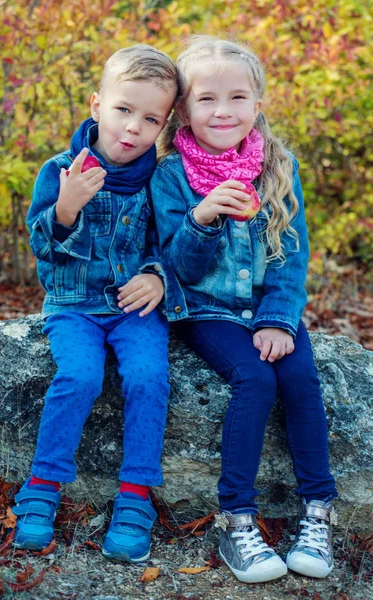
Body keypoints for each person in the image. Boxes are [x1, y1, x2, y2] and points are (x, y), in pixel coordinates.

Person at [151, 35, 338, 583]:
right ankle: (236, 518)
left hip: (264, 304)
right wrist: (203, 216)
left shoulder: (279, 167)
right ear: (183, 110)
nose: (223, 110)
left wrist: (279, 318)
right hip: (205, 310)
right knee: (255, 379)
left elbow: (291, 255)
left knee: (301, 378)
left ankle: (318, 512)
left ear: (258, 103)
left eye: (237, 97)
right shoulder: (170, 176)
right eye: (206, 98)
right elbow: (179, 269)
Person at [12, 44, 184, 564]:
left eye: (150, 118)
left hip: (134, 309)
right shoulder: (61, 170)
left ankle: (134, 498)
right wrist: (65, 209)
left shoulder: (161, 180)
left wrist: (156, 277)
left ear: (165, 126)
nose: (133, 128)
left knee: (148, 377)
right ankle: (42, 486)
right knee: (80, 376)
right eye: (123, 110)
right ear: (96, 105)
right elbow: (41, 247)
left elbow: (169, 245)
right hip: (74, 306)